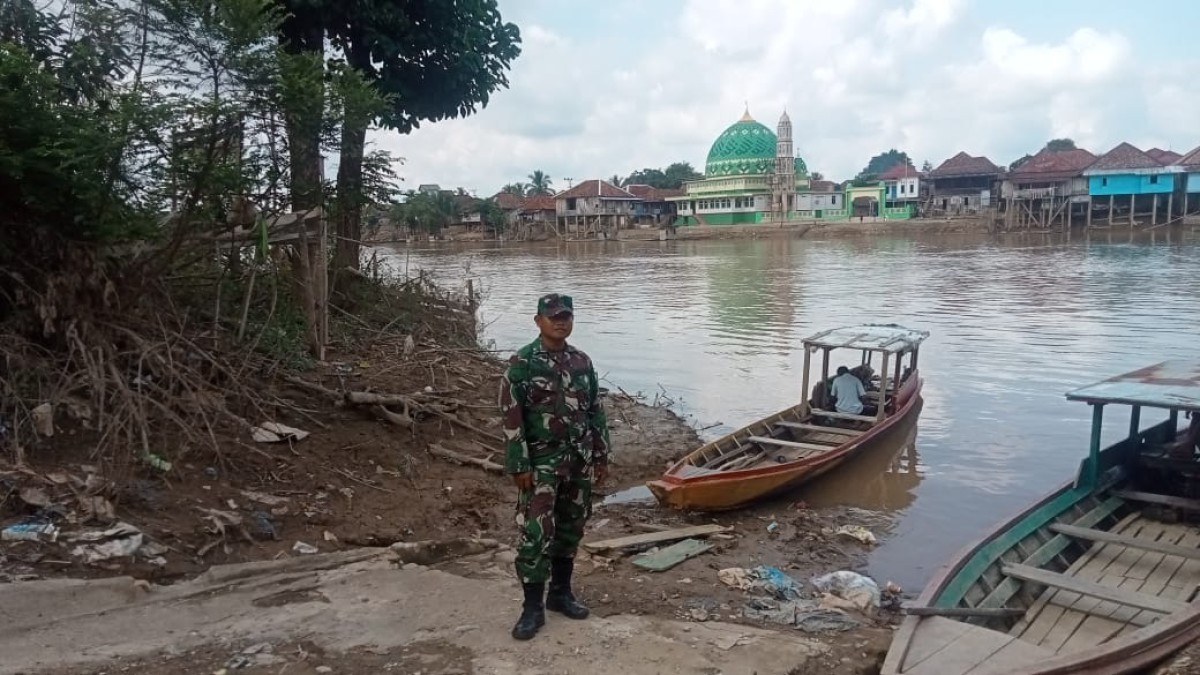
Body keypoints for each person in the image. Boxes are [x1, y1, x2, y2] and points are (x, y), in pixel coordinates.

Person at [498, 293, 610, 641]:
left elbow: (595, 411)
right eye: (554, 317)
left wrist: (601, 455)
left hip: (577, 462)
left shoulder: (581, 361)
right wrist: (519, 463)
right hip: (541, 465)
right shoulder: (523, 363)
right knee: (535, 535)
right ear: (538, 321)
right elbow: (511, 417)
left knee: (570, 529)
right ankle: (532, 608)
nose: (561, 322)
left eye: (566, 317)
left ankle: (560, 594)